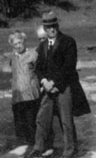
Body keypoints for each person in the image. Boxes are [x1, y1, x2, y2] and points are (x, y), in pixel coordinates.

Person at [28, 11, 91, 158]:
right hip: (48, 88)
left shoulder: (68, 41)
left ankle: (69, 151)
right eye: (48, 26)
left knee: (66, 120)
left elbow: (69, 66)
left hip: (64, 87)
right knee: (42, 118)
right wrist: (44, 81)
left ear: (57, 25)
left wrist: (54, 83)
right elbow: (39, 68)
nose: (52, 29)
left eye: (54, 25)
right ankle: (38, 149)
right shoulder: (42, 45)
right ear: (44, 28)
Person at [8, 30, 40, 147]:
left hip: (31, 95)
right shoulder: (13, 57)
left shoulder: (33, 54)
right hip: (17, 97)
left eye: (20, 42)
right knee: (20, 126)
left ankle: (36, 147)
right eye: (15, 44)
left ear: (24, 42)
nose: (18, 46)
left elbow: (39, 71)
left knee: (32, 124)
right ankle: (25, 148)